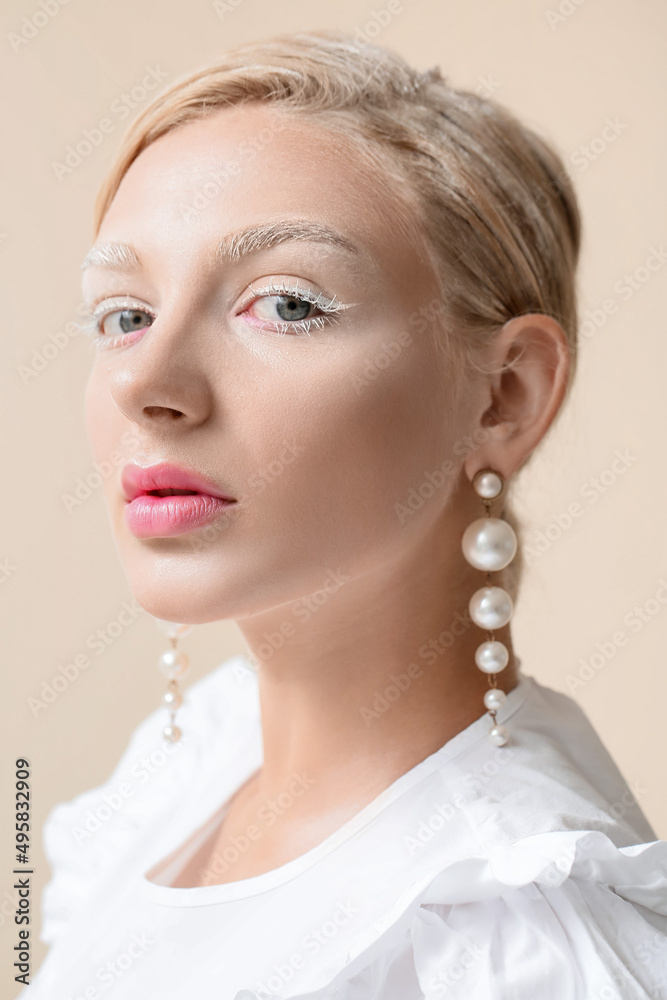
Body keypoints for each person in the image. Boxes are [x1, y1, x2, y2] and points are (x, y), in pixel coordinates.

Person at [27, 29, 667, 1000]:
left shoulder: (506, 941)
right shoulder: (189, 766)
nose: (148, 384)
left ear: (503, 395)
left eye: (284, 305)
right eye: (125, 313)